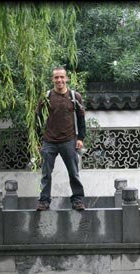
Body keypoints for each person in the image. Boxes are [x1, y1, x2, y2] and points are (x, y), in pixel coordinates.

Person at [35, 66, 86, 211]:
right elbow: (37, 119)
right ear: (52, 79)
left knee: (73, 172)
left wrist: (80, 137)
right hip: (49, 141)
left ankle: (78, 200)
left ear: (67, 78)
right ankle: (44, 201)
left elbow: (81, 118)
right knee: (46, 174)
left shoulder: (75, 96)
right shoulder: (46, 97)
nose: (59, 80)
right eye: (56, 77)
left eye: (62, 77)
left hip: (69, 140)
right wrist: (38, 141)